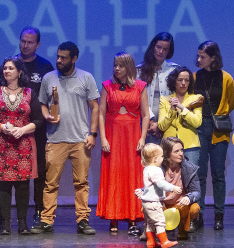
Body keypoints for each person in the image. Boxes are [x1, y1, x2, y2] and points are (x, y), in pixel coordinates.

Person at [32, 41, 100, 235]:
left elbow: (94, 107)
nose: (59, 60)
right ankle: (46, 220)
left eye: (63, 58)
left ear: (74, 59)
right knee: (51, 182)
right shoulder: (48, 78)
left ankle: (83, 220)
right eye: (58, 56)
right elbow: (43, 104)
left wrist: (92, 134)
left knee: (81, 182)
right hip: (55, 139)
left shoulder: (86, 78)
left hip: (80, 139)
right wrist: (46, 116)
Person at [0, 27, 55, 229]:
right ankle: (1, 216)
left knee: (35, 176)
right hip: (2, 139)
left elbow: (47, 100)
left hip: (31, 133)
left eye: (30, 42)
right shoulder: (6, 67)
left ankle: (35, 213)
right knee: (1, 181)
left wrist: (29, 126)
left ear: (37, 44)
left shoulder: (45, 66)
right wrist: (1, 126)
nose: (25, 45)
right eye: (22, 41)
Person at [0, 58, 38, 235]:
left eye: (11, 68)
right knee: (3, 185)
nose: (7, 71)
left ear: (19, 72)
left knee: (23, 185)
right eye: (5, 68)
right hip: (2, 144)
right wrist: (1, 127)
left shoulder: (30, 93)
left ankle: (23, 224)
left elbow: (38, 119)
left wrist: (22, 130)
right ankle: (6, 224)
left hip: (23, 144)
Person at [97, 52, 149, 234]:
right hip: (113, 135)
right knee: (114, 176)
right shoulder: (107, 86)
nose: (116, 69)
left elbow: (145, 115)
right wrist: (103, 138)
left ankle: (132, 218)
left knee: (132, 176)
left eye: (120, 65)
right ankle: (113, 218)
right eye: (115, 65)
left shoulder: (140, 87)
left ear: (129, 67)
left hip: (133, 135)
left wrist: (142, 138)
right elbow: (101, 113)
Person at [192, 40, 234, 231]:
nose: (199, 59)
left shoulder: (226, 78)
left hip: (219, 129)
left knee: (218, 173)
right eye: (198, 55)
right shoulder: (194, 77)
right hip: (200, 127)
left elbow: (231, 102)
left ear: (213, 58)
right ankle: (198, 215)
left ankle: (219, 215)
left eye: (203, 56)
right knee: (199, 174)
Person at [139, 136, 201, 241]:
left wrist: (189, 197)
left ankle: (182, 228)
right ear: (167, 154)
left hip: (179, 204)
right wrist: (142, 191)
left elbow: (197, 192)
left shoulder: (189, 168)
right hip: (162, 203)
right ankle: (149, 229)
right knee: (147, 205)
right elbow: (150, 186)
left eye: (181, 150)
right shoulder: (157, 167)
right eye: (176, 151)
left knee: (194, 208)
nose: (181, 153)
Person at [135, 143, 181, 248]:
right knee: (160, 221)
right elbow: (161, 183)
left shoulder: (147, 168)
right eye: (161, 157)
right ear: (155, 159)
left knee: (150, 223)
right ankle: (164, 241)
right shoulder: (155, 170)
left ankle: (151, 241)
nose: (162, 159)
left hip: (146, 202)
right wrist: (173, 188)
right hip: (153, 202)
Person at [157, 66, 203, 167]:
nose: (183, 83)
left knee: (190, 179)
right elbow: (161, 126)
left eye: (187, 80)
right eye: (180, 80)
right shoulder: (164, 100)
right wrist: (172, 111)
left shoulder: (196, 98)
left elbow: (197, 122)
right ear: (174, 81)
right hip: (169, 146)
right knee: (169, 178)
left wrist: (182, 108)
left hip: (190, 146)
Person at [138, 32, 179, 144]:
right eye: (158, 47)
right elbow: (138, 98)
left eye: (165, 49)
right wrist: (151, 120)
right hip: (144, 123)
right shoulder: (139, 71)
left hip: (168, 123)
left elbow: (177, 98)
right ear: (153, 46)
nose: (161, 52)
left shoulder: (175, 70)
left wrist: (161, 124)